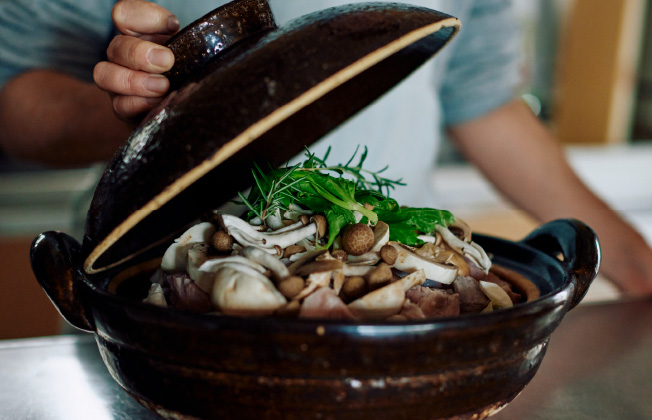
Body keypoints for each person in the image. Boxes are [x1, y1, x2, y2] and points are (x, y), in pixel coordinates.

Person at [1, 0, 651, 296]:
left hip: (412, 274)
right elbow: (14, 94)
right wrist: (156, 123)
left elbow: (480, 97)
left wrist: (633, 260)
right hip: (164, 286)